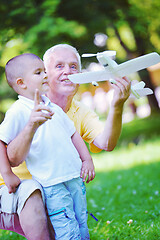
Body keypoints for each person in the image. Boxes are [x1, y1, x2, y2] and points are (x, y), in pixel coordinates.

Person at [0, 44, 131, 238]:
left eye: (73, 66)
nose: (67, 72)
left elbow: (104, 142)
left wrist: (117, 106)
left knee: (75, 224)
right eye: (59, 66)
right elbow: (10, 155)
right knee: (36, 194)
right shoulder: (22, 110)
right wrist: (30, 127)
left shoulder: (66, 111)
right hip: (18, 190)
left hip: (59, 184)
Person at [0, 53, 95, 239]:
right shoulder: (18, 111)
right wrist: (7, 174)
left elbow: (73, 134)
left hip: (74, 176)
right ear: (21, 83)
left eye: (44, 71)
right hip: (51, 182)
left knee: (81, 219)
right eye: (38, 72)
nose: (45, 75)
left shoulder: (54, 107)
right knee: (65, 224)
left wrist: (87, 159)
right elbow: (1, 140)